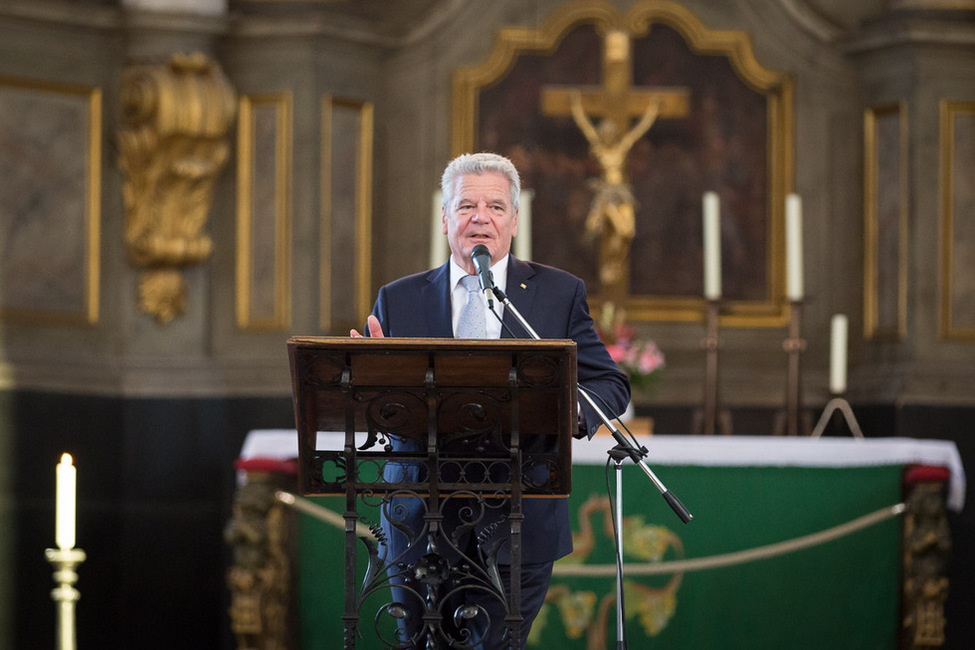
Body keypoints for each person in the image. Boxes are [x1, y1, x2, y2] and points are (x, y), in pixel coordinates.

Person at [352, 152, 630, 648]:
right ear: (444, 218)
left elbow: (610, 385)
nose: (480, 216)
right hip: (417, 520)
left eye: (496, 206)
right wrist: (364, 377)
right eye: (466, 205)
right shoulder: (399, 299)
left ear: (515, 220)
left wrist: (570, 413)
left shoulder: (557, 294)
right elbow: (377, 405)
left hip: (517, 520)